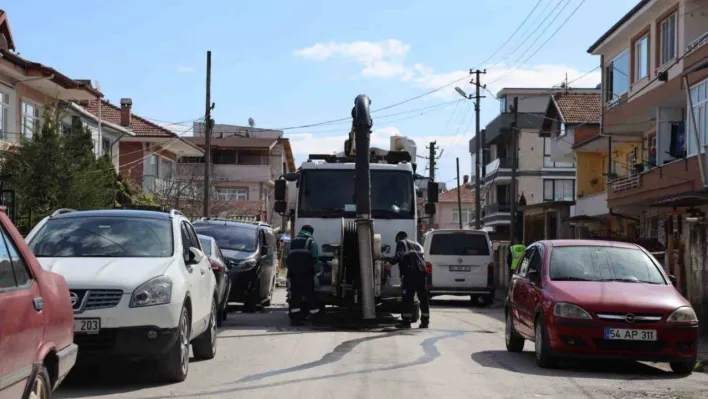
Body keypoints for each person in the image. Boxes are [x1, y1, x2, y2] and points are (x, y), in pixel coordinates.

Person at [385, 231, 430, 329]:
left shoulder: (402, 243)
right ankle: (425, 322)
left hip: (410, 273)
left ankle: (406, 322)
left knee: (407, 297)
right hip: (422, 272)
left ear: (398, 239)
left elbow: (399, 254)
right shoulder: (417, 245)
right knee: (423, 297)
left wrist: (390, 263)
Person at [285, 225, 322, 326]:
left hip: (293, 274)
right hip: (307, 274)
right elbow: (315, 260)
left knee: (295, 296)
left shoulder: (291, 242)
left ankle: (295, 319)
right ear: (311, 232)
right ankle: (315, 318)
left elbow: (287, 259)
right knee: (310, 295)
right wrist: (318, 275)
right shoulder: (311, 242)